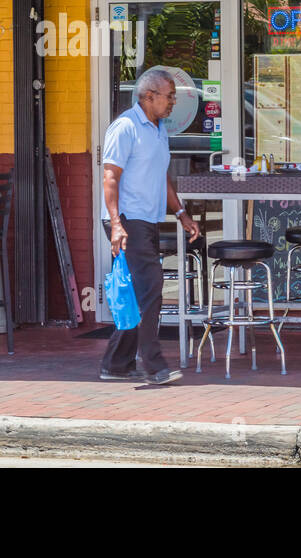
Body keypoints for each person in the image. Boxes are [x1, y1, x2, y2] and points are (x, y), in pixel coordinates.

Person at [99, 67, 200, 386]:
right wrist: (116, 224)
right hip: (127, 221)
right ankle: (154, 364)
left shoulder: (158, 130)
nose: (172, 103)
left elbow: (162, 177)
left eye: (173, 96)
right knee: (151, 288)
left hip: (148, 219)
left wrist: (181, 212)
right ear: (148, 96)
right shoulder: (125, 128)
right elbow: (110, 177)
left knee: (136, 291)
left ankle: (116, 363)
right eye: (169, 96)